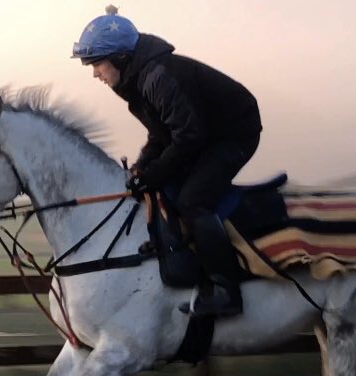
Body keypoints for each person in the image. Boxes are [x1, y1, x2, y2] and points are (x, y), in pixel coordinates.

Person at [72, 6, 262, 317]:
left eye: (96, 64)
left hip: (234, 135)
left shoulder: (157, 78)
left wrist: (153, 174)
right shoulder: (139, 79)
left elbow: (188, 137)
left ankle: (227, 291)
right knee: (162, 186)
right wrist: (142, 167)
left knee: (192, 200)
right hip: (205, 134)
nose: (95, 74)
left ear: (120, 58)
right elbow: (161, 134)